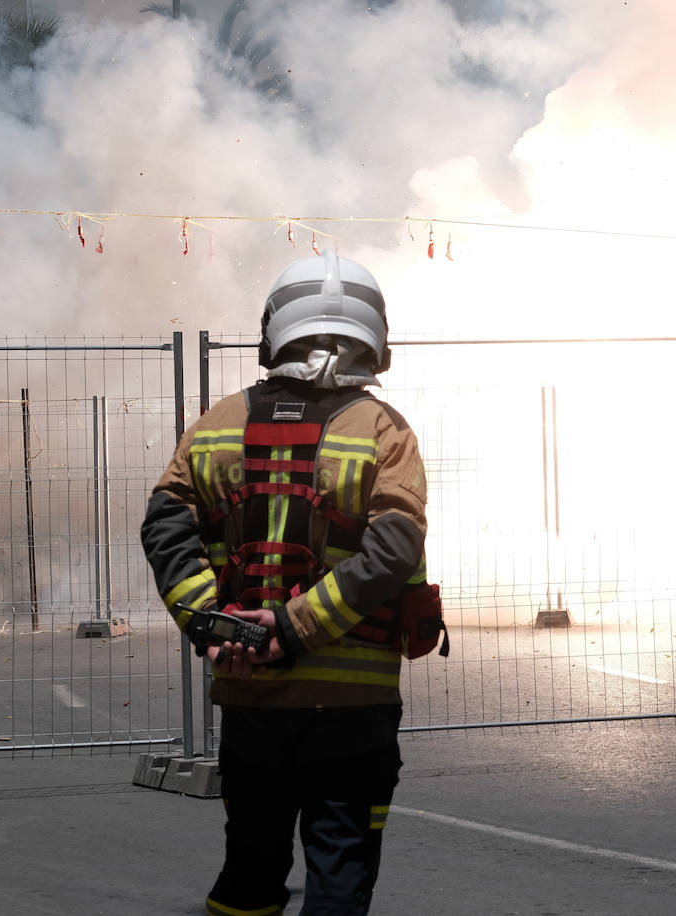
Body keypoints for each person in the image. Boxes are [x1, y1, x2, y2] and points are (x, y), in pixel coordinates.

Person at [140, 251, 431, 916]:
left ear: (276, 328)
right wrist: (294, 630)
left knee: (250, 868)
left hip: (251, 702)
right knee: (340, 869)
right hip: (353, 709)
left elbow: (165, 527)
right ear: (373, 335)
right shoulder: (383, 431)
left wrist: (210, 625)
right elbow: (393, 550)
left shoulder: (217, 424)